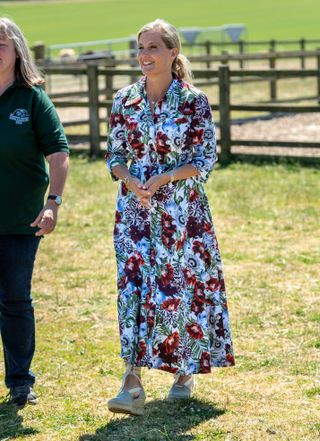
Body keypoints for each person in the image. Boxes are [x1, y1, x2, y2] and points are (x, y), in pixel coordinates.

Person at [105, 18, 234, 416]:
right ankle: (132, 379)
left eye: (154, 47)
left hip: (183, 215)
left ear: (173, 52)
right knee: (133, 290)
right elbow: (114, 156)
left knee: (180, 288)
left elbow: (205, 157)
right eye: (141, 47)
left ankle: (184, 370)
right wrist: (129, 179)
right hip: (134, 214)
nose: (144, 55)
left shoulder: (194, 101)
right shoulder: (124, 99)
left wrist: (164, 177)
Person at [0, 18, 69, 407]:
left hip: (19, 222)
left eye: (1, 42)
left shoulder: (32, 99)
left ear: (17, 50)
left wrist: (52, 203)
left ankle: (20, 381)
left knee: (13, 299)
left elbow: (58, 154)